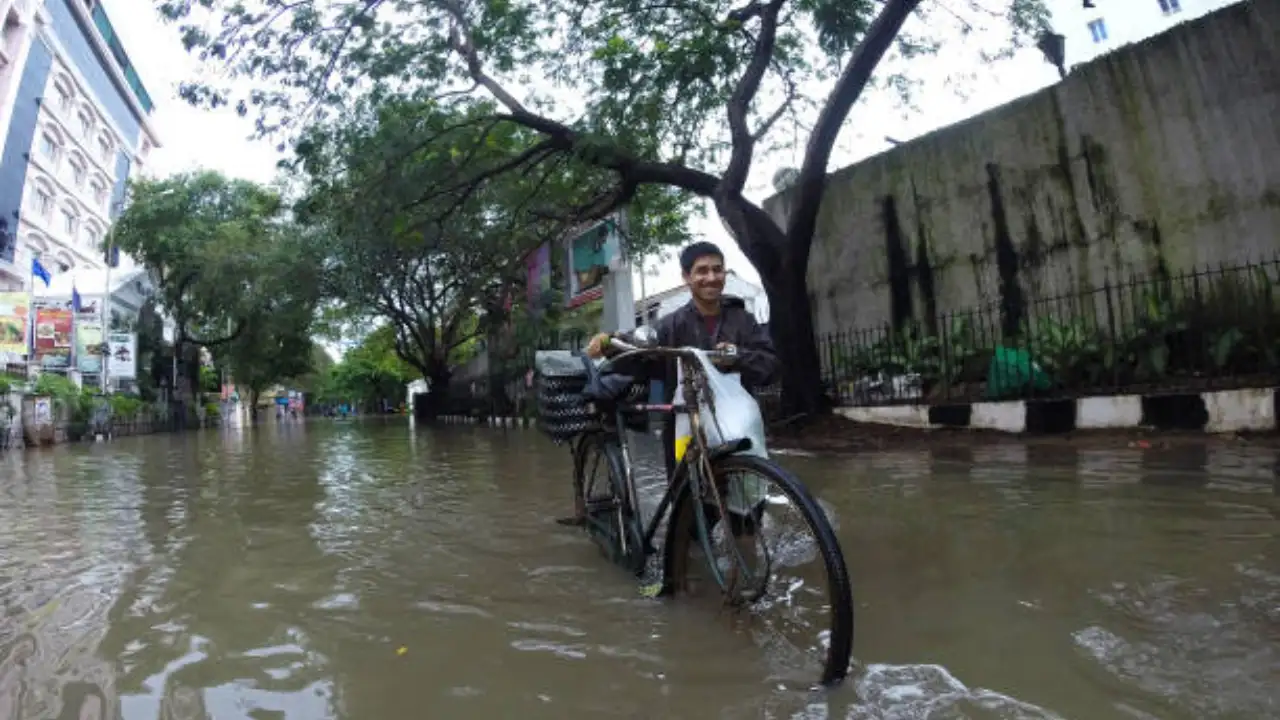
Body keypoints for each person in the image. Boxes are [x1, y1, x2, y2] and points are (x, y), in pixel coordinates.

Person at [559, 241, 781, 525]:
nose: (711, 277)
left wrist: (737, 357)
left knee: (748, 517)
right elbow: (638, 346)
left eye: (717, 269)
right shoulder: (672, 324)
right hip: (685, 430)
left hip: (739, 429)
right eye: (702, 271)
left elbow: (771, 364)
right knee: (689, 515)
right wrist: (609, 341)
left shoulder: (743, 320)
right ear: (686, 277)